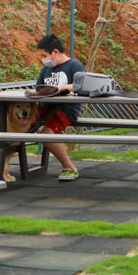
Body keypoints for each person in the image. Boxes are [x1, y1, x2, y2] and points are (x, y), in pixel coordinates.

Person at [35, 34, 84, 182]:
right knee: (12, 122)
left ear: (55, 52)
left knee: (44, 134)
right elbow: (38, 87)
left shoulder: (74, 65)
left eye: (45, 55)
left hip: (65, 109)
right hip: (44, 106)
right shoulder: (46, 69)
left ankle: (69, 167)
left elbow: (81, 85)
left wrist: (60, 87)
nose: (43, 59)